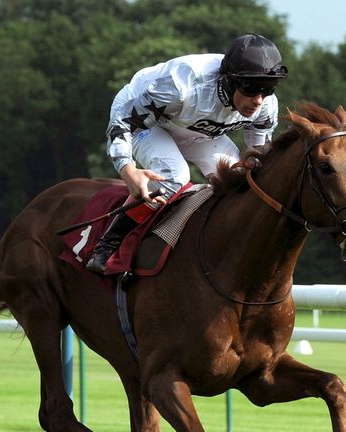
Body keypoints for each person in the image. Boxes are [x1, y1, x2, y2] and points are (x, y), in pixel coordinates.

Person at [86, 34, 289, 274]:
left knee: (241, 180)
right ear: (229, 80)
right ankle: (107, 245)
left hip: (198, 131)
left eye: (267, 90)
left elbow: (259, 156)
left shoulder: (266, 105)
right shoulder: (182, 84)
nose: (258, 100)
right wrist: (126, 169)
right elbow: (123, 118)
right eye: (250, 88)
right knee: (175, 176)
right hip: (149, 123)